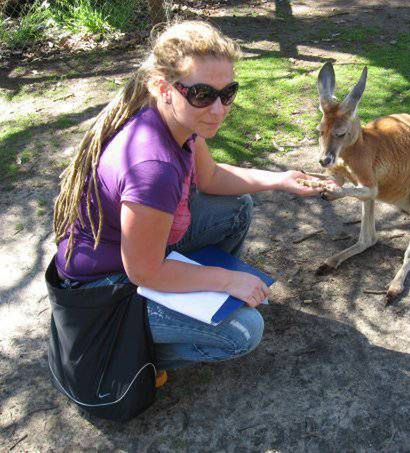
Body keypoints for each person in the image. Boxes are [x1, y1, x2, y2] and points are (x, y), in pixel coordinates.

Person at [51, 21, 325, 385]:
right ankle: (126, 353)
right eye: (201, 94)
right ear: (164, 89)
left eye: (228, 93)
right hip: (104, 289)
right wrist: (227, 280)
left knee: (237, 209)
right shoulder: (153, 168)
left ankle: (196, 301)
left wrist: (279, 180)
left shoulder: (181, 125)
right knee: (243, 331)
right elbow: (144, 273)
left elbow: (211, 178)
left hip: (136, 257)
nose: (218, 109)